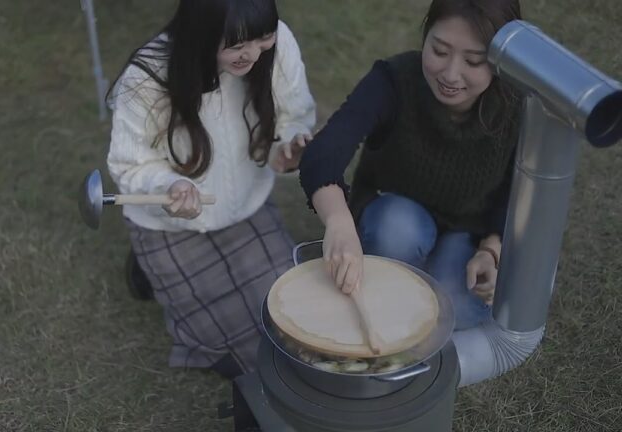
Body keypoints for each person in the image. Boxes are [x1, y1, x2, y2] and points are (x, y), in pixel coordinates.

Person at [106, 0, 316, 378]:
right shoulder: (147, 76)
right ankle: (147, 261)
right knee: (239, 345)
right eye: (238, 45)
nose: (254, 54)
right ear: (202, 32)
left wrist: (288, 149)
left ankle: (154, 269)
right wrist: (168, 186)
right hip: (169, 225)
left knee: (294, 315)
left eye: (263, 39)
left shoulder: (276, 42)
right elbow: (130, 165)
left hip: (245, 208)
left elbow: (293, 115)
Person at [299, 0, 522, 330]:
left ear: (501, 61)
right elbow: (323, 152)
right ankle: (393, 280)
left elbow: (517, 190)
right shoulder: (394, 80)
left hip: (469, 231)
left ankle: (414, 283)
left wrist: (492, 249)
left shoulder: (516, 105)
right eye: (440, 50)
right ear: (425, 35)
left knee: (456, 308)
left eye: (474, 61)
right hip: (395, 212)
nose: (450, 74)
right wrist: (338, 221)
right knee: (396, 231)